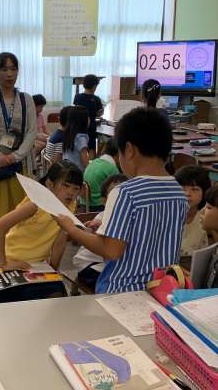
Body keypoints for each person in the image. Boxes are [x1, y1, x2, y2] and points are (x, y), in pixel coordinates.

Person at [55, 107, 188, 293]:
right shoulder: (179, 192)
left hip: (122, 291)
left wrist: (71, 229)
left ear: (129, 150)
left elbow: (111, 250)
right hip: (162, 290)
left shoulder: (125, 192)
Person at [0, 161, 83, 303]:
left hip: (36, 266)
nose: (71, 192)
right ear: (50, 184)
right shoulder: (35, 205)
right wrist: (4, 263)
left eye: (76, 188)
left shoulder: (70, 206)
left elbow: (60, 238)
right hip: (11, 261)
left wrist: (54, 268)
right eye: (66, 186)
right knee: (6, 304)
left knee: (56, 297)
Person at [0, 52, 37, 236]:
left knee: (21, 216)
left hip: (20, 167)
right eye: (4, 69)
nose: (9, 74)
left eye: (13, 69)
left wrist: (15, 156)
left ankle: (19, 250)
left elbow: (32, 131)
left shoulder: (26, 99)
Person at [72, 173, 128, 292]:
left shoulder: (127, 217)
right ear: (104, 201)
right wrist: (95, 228)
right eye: (114, 195)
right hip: (89, 264)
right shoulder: (103, 217)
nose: (120, 199)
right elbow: (95, 230)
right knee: (116, 284)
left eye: (124, 195)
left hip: (110, 265)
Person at [175, 165, 210, 260]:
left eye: (194, 189)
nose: (187, 194)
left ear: (204, 192)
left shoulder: (207, 217)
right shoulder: (166, 215)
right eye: (182, 188)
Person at [82, 137, 120, 212]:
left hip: (85, 203)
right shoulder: (112, 168)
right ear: (118, 154)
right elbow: (117, 192)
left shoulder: (94, 162)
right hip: (98, 206)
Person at [73, 74, 103, 158]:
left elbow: (76, 107)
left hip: (78, 127)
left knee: (80, 147)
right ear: (94, 86)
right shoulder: (96, 99)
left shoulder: (77, 97)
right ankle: (91, 163)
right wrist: (99, 113)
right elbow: (99, 113)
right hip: (91, 128)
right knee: (91, 148)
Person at [62, 105, 90, 172]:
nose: (89, 119)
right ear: (83, 120)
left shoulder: (69, 133)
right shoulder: (81, 138)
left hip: (66, 168)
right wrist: (90, 170)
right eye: (88, 117)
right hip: (77, 172)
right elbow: (85, 160)